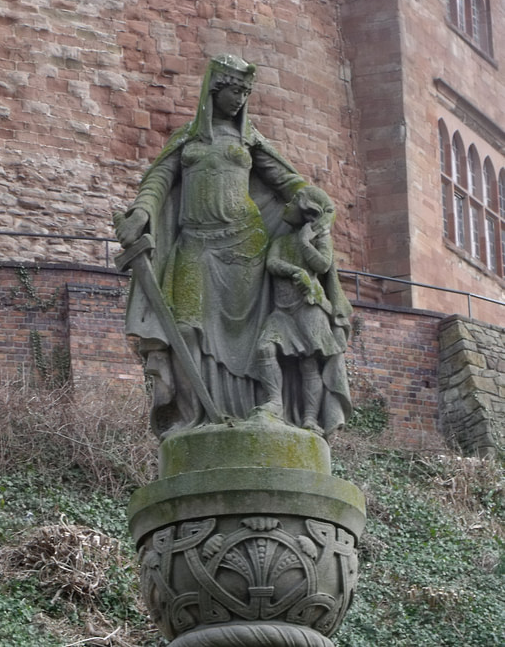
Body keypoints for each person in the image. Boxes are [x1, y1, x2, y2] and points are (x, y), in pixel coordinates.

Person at [114, 54, 307, 437]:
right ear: (215, 90)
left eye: (245, 92)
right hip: (195, 245)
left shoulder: (249, 140)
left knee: (250, 339)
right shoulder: (187, 140)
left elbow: (292, 185)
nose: (239, 99)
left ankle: (260, 410)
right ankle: (194, 417)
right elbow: (157, 183)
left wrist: (316, 208)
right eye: (234, 90)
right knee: (184, 327)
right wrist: (140, 214)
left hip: (244, 246)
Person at [256, 186, 353, 437]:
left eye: (292, 203)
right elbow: (272, 263)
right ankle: (275, 402)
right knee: (265, 348)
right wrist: (295, 271)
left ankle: (310, 418)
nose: (286, 207)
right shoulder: (279, 241)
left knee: (309, 364)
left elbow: (322, 264)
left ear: (306, 210)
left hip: (310, 308)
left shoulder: (321, 239)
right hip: (282, 310)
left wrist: (304, 242)